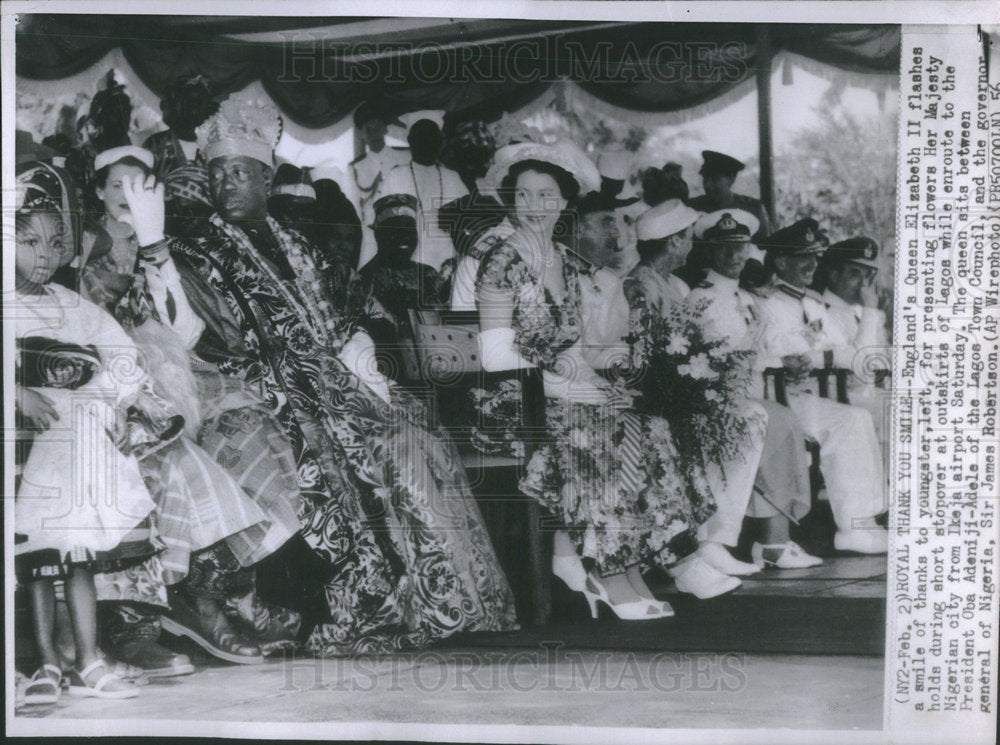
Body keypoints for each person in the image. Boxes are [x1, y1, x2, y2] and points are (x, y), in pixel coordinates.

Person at [169, 96, 517, 655]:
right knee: (337, 456)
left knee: (411, 434)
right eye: (217, 174)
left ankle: (451, 603)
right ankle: (369, 608)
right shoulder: (194, 251)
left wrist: (359, 364)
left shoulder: (298, 243)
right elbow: (215, 343)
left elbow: (345, 312)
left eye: (239, 172)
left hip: (335, 384)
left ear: (265, 176)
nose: (227, 183)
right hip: (261, 391)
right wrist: (294, 387)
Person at [475, 139, 742, 616]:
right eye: (524, 196)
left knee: (650, 423)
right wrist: (573, 381)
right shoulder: (501, 261)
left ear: (563, 202)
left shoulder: (570, 263)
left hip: (563, 390)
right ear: (510, 200)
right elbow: (496, 355)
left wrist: (617, 369)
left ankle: (661, 561)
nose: (535, 207)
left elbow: (580, 345)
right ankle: (613, 572)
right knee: (603, 431)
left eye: (547, 196)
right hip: (515, 399)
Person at [79, 145, 304, 671]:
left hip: (175, 376)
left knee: (260, 432)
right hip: (105, 382)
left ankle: (221, 590)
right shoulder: (81, 247)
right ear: (96, 191)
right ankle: (162, 613)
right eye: (117, 186)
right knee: (167, 457)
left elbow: (186, 331)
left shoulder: (161, 247)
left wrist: (158, 254)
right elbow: (93, 323)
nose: (128, 197)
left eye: (141, 187)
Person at [15, 179, 151, 701]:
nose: (45, 256)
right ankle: (46, 660)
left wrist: (116, 401)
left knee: (75, 551)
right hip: (29, 440)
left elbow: (119, 353)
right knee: (39, 553)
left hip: (74, 436)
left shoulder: (69, 303)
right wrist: (18, 390)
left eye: (54, 243)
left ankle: (86, 659)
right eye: (29, 242)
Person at [685, 210, 821, 569]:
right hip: (714, 399)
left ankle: (774, 540)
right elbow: (712, 355)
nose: (734, 257)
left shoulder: (747, 298)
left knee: (780, 422)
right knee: (770, 421)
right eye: (724, 249)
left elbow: (761, 349)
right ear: (709, 252)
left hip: (751, 395)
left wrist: (786, 359)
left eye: (740, 247)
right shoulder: (700, 298)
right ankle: (723, 542)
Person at [754, 219, 888, 554]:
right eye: (803, 257)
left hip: (807, 394)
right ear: (781, 262)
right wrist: (821, 357)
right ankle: (853, 526)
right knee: (850, 420)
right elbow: (773, 352)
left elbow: (850, 356)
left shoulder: (812, 303)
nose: (812, 264)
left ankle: (863, 522)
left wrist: (816, 358)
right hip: (777, 397)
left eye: (815, 256)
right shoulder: (764, 303)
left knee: (854, 418)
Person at [357, 193, 449, 380]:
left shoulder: (429, 275)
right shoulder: (365, 280)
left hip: (440, 371)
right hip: (392, 377)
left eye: (409, 229)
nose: (404, 237)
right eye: (394, 229)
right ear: (379, 234)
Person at [813, 236, 891, 445]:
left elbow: (882, 360)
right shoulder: (820, 311)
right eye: (855, 275)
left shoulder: (859, 312)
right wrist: (870, 309)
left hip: (867, 395)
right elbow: (862, 364)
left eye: (868, 276)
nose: (863, 285)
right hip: (837, 397)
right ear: (834, 275)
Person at [376, 118, 469, 271]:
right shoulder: (396, 175)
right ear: (410, 142)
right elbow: (384, 226)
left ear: (440, 143)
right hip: (409, 260)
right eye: (421, 139)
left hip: (449, 260)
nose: (427, 144)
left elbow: (468, 221)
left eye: (433, 139)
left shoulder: (452, 177)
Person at [681, 150, 772, 289]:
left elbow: (766, 249)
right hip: (700, 283)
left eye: (715, 179)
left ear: (731, 179)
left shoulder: (753, 208)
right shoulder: (692, 207)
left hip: (744, 282)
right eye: (706, 179)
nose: (708, 185)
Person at [350, 102, 410, 266]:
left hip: (403, 230)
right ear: (362, 134)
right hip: (371, 233)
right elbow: (355, 207)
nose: (373, 133)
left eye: (377, 128)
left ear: (385, 129)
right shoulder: (356, 167)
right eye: (368, 129)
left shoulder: (405, 159)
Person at [142, 73, 218, 179]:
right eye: (188, 100)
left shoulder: (215, 145)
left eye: (198, 101)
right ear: (176, 105)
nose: (193, 106)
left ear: (208, 108)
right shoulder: (156, 143)